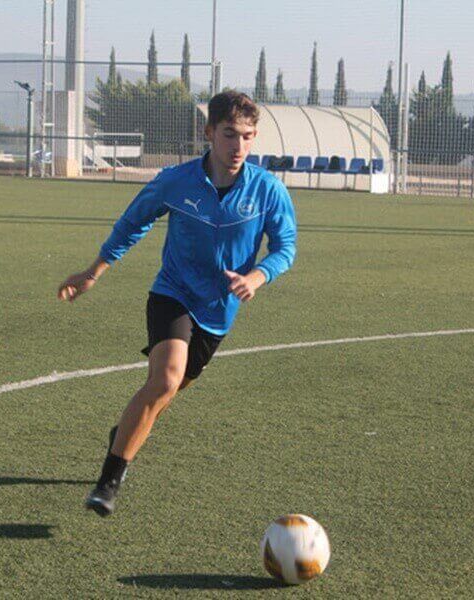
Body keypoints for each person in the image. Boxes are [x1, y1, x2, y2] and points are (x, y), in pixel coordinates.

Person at [57, 91, 298, 517]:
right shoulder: (176, 180)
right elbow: (132, 223)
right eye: (228, 134)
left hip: (219, 312)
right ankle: (109, 481)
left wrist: (256, 277)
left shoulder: (267, 190)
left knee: (167, 391)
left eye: (246, 136)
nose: (237, 146)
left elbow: (285, 247)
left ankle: (124, 432)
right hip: (173, 293)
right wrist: (93, 272)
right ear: (209, 133)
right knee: (166, 379)